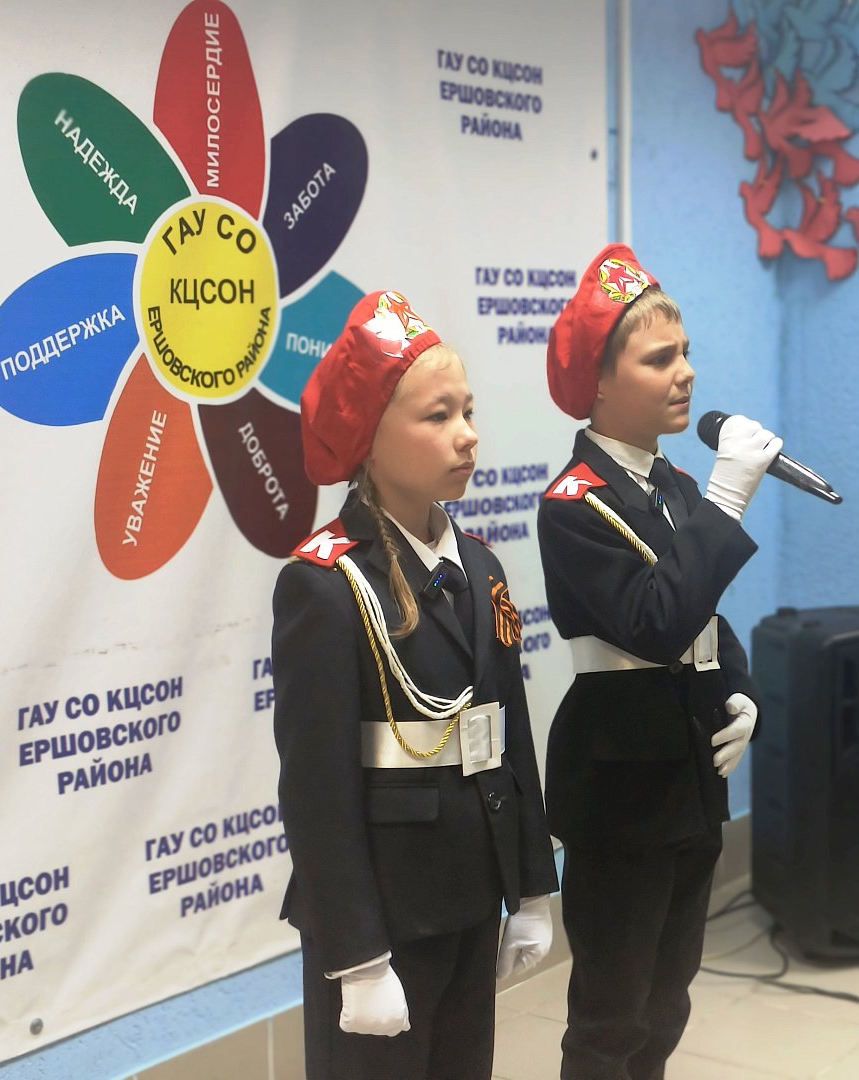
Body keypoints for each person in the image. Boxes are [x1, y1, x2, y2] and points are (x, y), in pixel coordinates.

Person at [272, 290, 558, 1080]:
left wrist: (532, 888)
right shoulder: (327, 586)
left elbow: (508, 735)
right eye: (438, 416)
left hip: (470, 893)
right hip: (386, 912)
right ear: (369, 435)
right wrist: (359, 957)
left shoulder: (480, 566)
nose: (467, 434)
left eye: (468, 411)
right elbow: (316, 790)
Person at [537, 244, 780, 1079]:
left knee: (668, 1001)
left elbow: (705, 615)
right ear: (600, 384)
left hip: (689, 775)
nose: (687, 373)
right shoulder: (574, 504)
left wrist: (742, 691)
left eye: (686, 353)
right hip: (621, 785)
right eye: (659, 358)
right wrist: (729, 497)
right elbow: (654, 621)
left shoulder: (673, 485)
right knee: (613, 1014)